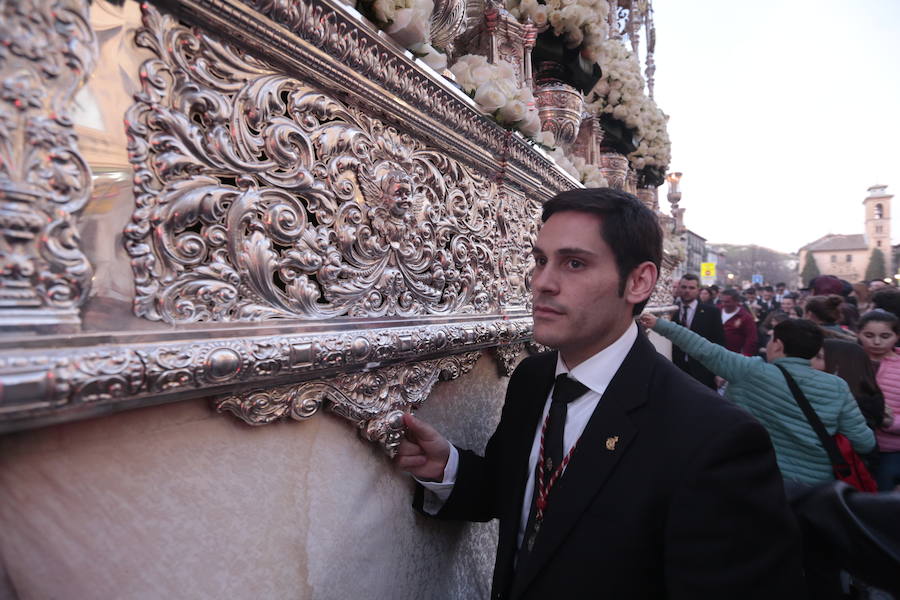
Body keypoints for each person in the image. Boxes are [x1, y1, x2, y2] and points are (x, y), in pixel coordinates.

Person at [397, 188, 804, 599]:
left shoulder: (714, 438)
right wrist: (448, 467)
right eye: (540, 261)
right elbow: (527, 501)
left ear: (639, 281)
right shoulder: (533, 379)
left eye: (574, 263)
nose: (542, 283)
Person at [641, 315, 876, 600]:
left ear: (776, 344)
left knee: (764, 563)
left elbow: (702, 348)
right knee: (819, 566)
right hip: (817, 494)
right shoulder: (836, 387)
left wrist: (658, 323)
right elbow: (864, 441)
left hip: (761, 487)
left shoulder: (750, 372)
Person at [857, 310, 900, 491]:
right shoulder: (848, 359)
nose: (876, 342)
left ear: (897, 336)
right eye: (868, 335)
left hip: (889, 449)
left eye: (885, 336)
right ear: (858, 334)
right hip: (852, 445)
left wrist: (891, 422)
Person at [672, 274, 726, 389]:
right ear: (679, 288)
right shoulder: (671, 310)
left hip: (703, 370)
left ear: (698, 290)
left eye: (691, 288)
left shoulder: (711, 312)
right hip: (676, 368)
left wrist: (720, 371)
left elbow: (719, 340)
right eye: (684, 287)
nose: (687, 291)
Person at [719, 289, 758, 356]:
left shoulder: (746, 317)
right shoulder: (716, 311)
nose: (723, 304)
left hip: (734, 356)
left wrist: (745, 356)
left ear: (736, 301)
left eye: (727, 302)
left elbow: (751, 339)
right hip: (717, 353)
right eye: (722, 301)